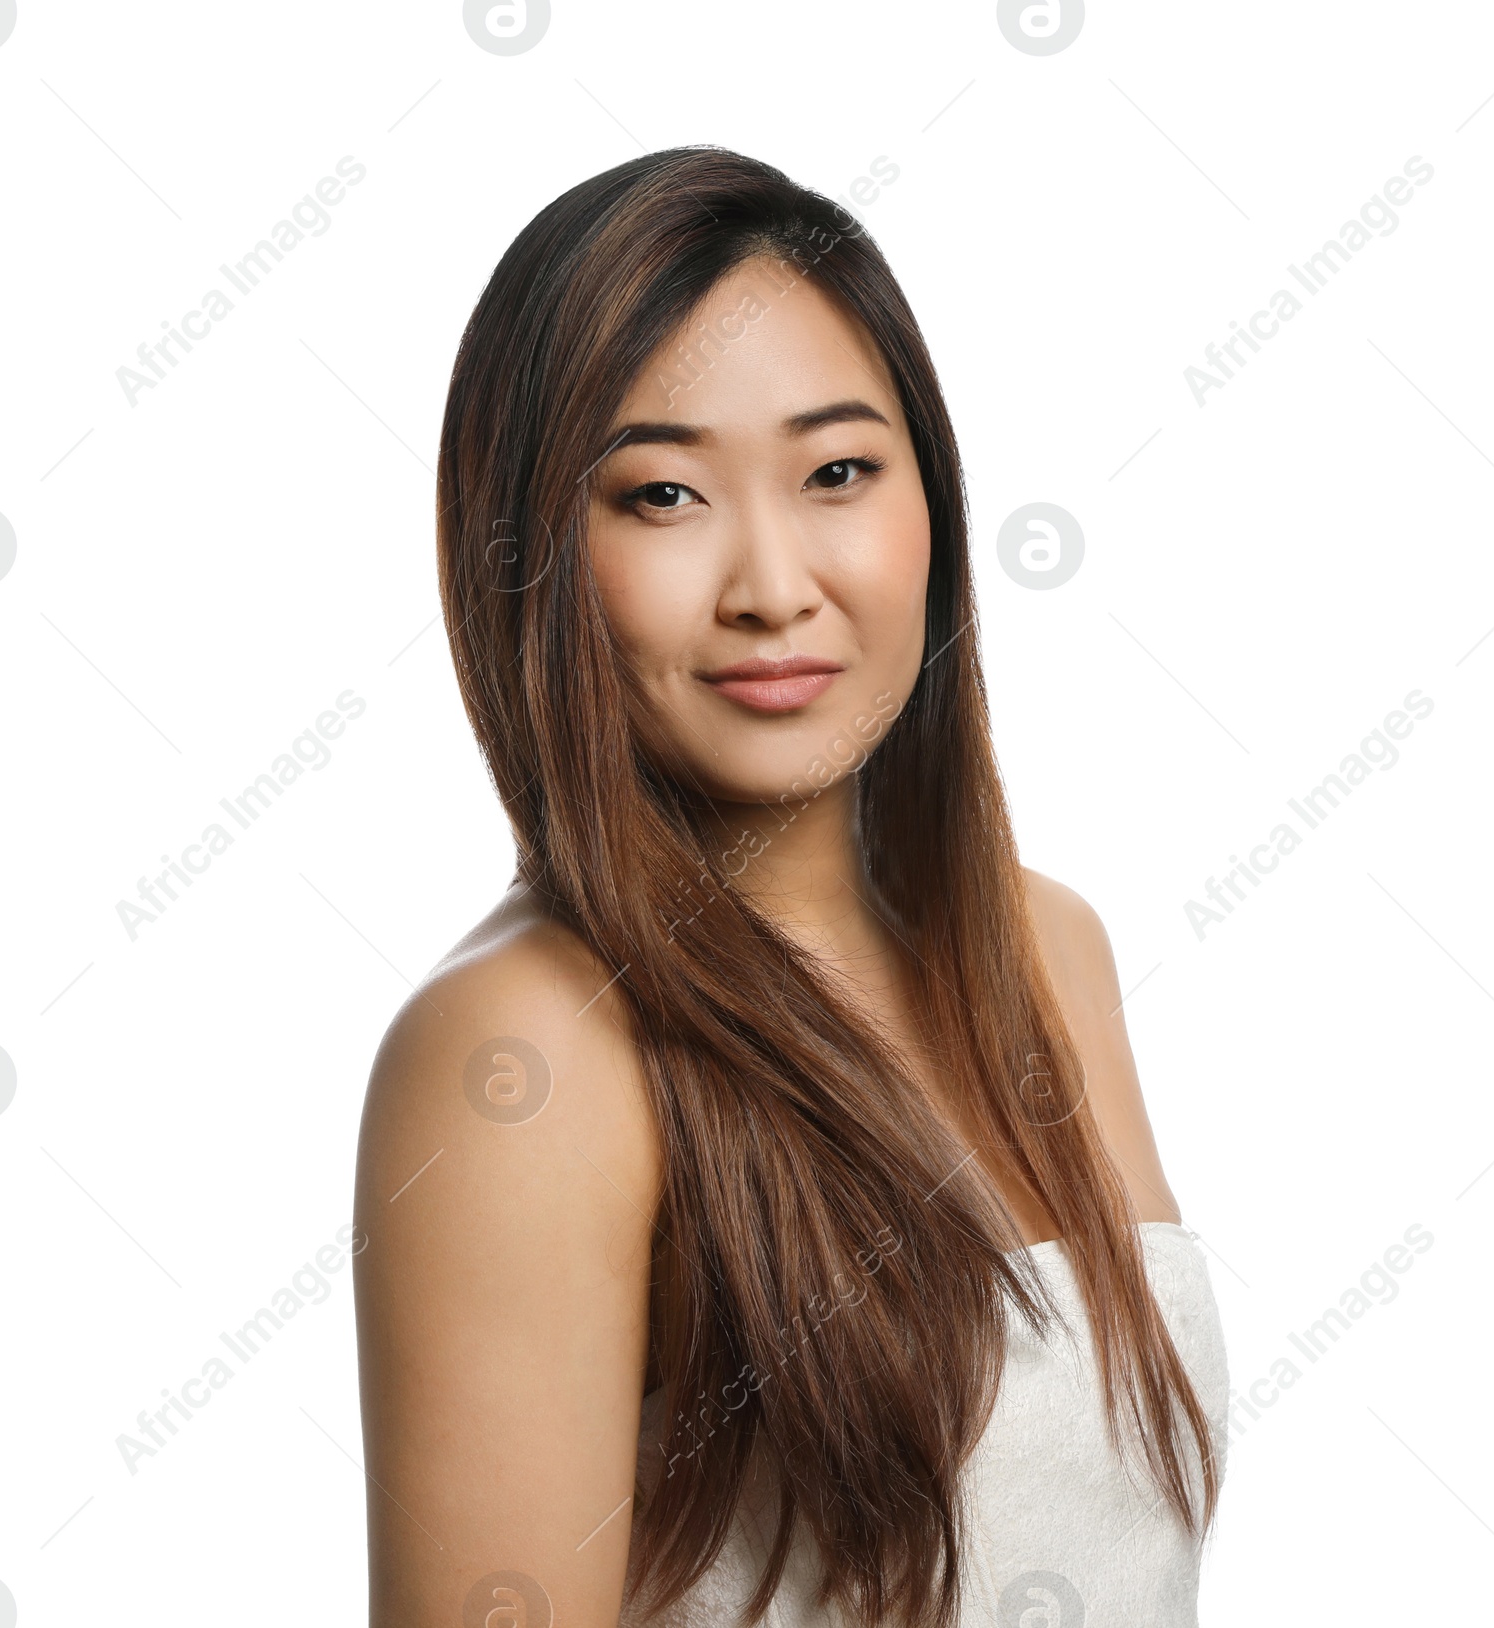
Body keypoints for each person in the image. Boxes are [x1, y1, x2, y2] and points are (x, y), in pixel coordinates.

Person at [352, 145, 1229, 1628]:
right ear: (531, 554)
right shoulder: (530, 1057)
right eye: (663, 495)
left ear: (931, 504)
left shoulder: (1045, 947)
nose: (771, 582)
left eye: (837, 473)